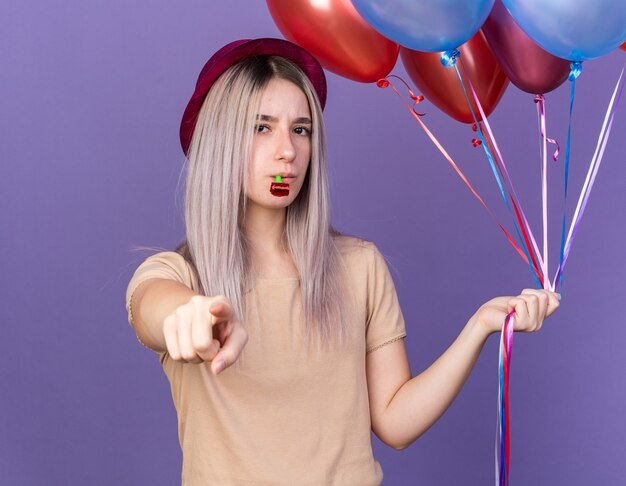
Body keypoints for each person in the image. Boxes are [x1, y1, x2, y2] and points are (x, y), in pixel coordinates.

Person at [125, 38, 560, 485]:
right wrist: (188, 315)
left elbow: (394, 421)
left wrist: (480, 326)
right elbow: (153, 307)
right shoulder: (182, 275)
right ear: (220, 141)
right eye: (261, 127)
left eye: (301, 129)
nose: (287, 152)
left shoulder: (359, 266)